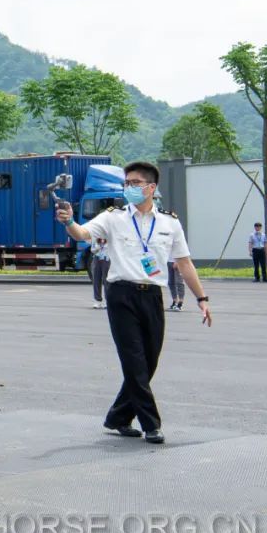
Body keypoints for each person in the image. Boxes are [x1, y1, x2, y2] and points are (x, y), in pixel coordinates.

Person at [58, 161, 212, 444]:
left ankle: (117, 416)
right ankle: (151, 423)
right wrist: (69, 221)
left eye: (135, 183)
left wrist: (201, 298)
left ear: (151, 188)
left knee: (149, 361)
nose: (128, 188)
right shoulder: (113, 217)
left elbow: (184, 262)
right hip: (121, 294)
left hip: (152, 295)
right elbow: (82, 234)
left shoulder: (169, 222)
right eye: (126, 183)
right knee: (134, 361)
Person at [91, 238, 110, 309]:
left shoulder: (108, 236)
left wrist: (104, 244)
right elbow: (92, 250)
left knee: (107, 280)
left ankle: (107, 301)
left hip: (107, 258)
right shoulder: (95, 237)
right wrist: (98, 246)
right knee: (96, 279)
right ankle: (97, 301)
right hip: (97, 258)